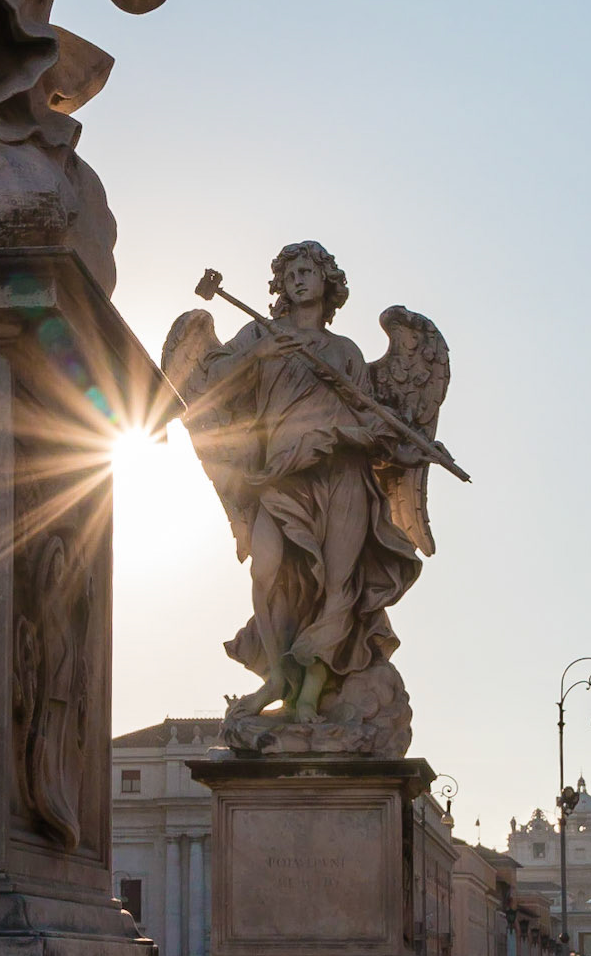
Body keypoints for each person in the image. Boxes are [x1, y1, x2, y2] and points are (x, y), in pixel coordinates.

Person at [173, 242, 421, 724]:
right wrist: (257, 355)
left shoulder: (344, 352)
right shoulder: (260, 334)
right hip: (280, 474)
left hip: (341, 473)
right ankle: (277, 676)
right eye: (290, 275)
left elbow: (370, 417)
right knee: (266, 572)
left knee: (338, 584)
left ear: (327, 281)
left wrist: (396, 442)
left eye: (307, 271)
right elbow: (207, 385)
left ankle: (309, 692)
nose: (298, 280)